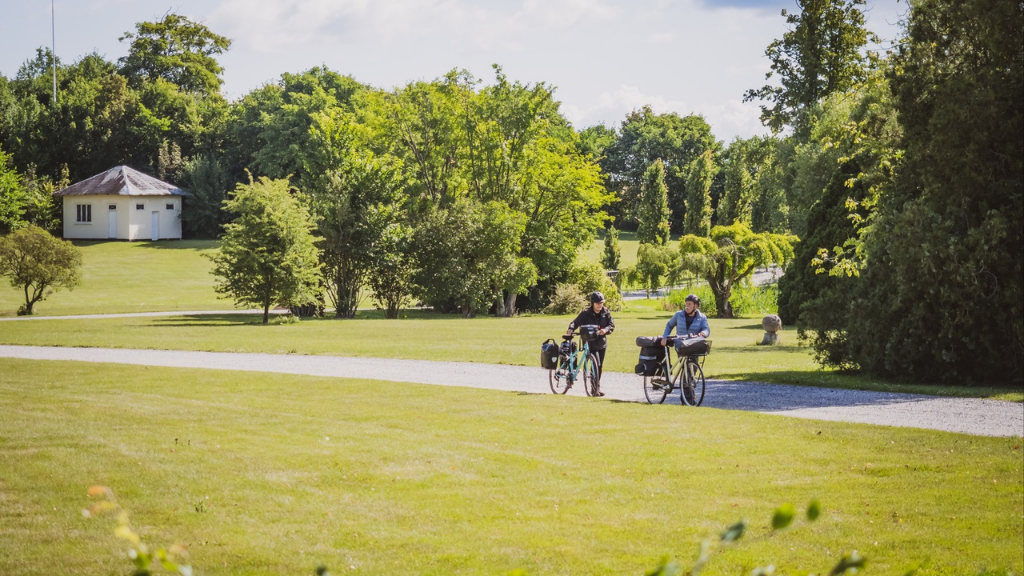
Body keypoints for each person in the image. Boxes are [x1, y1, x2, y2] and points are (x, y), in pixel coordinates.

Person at [566, 291, 615, 396]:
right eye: (597, 303)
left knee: (599, 366)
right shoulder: (586, 314)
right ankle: (594, 390)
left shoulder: (605, 312)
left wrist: (605, 330)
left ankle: (596, 387)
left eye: (601, 303)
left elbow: (611, 325)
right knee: (595, 363)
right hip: (590, 342)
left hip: (601, 343)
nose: (600, 306)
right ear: (592, 303)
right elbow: (575, 322)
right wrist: (571, 328)